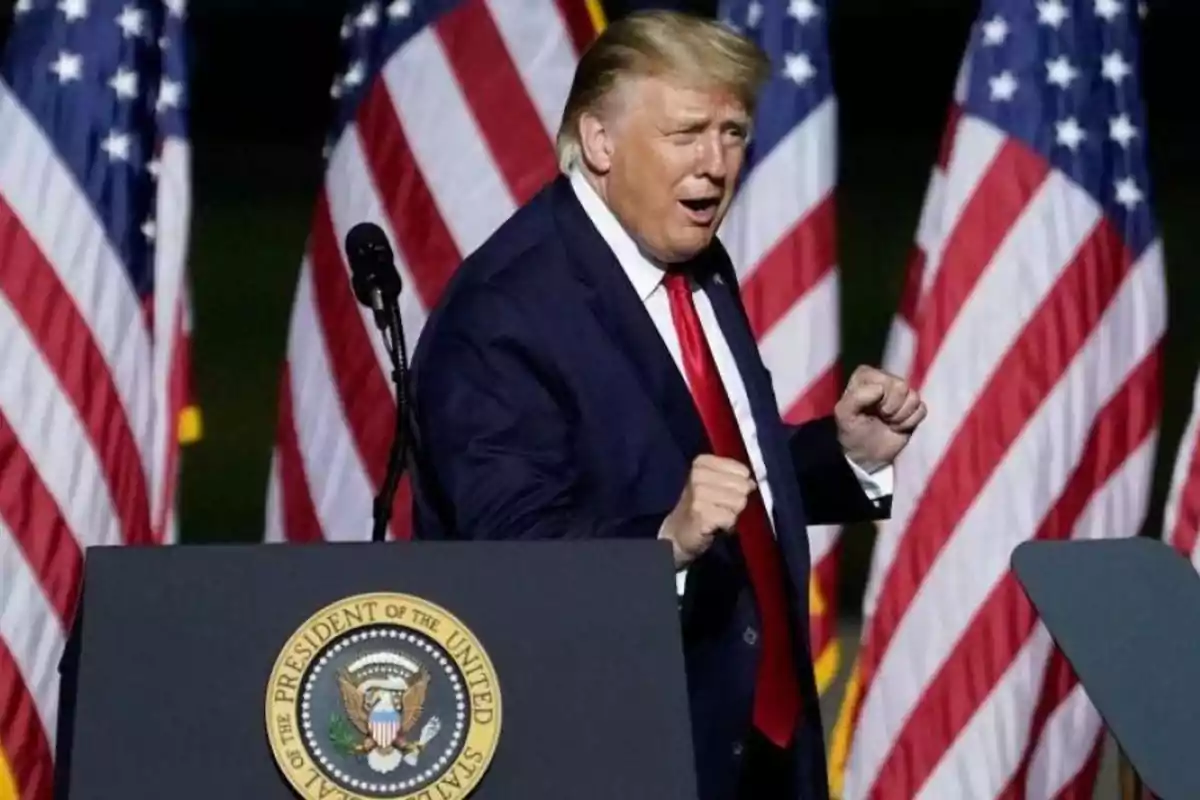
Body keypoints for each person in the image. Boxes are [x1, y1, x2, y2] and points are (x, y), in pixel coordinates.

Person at [407, 9, 926, 800]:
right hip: (613, 757)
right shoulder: (504, 312)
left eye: (733, 134)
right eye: (687, 133)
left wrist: (840, 453)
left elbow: (694, 458)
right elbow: (505, 562)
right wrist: (661, 545)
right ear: (600, 141)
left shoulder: (693, 259)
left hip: (754, 747)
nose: (716, 166)